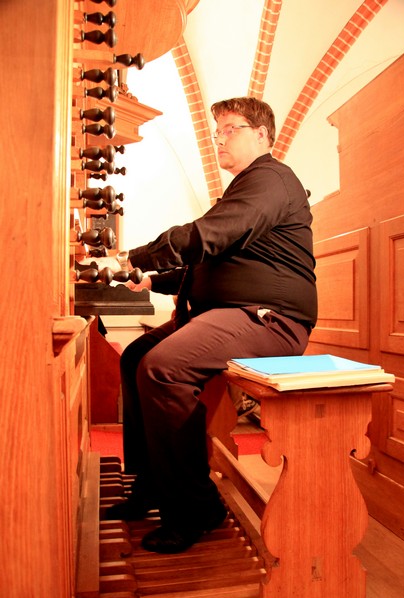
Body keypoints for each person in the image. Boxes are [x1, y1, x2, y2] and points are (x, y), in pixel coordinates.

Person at [105, 97, 318, 554]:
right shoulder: (244, 191)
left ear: (261, 135)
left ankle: (195, 507)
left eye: (230, 128)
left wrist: (131, 257)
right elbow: (206, 265)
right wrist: (151, 278)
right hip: (228, 313)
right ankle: (151, 483)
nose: (219, 138)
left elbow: (207, 237)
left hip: (270, 318)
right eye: (216, 131)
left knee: (163, 368)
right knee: (137, 356)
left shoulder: (271, 179)